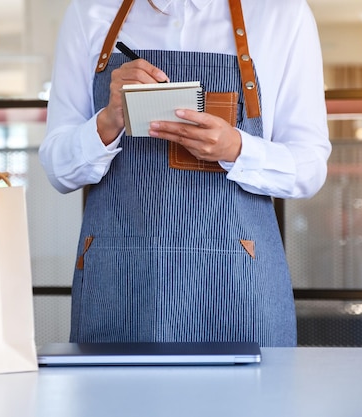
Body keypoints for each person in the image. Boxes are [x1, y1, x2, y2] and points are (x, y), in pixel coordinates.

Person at [39, 0, 331, 347]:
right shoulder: (90, 11)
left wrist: (237, 149)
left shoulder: (281, 13)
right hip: (119, 279)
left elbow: (310, 166)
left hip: (236, 283)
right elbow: (58, 169)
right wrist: (109, 119)